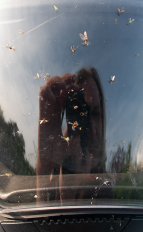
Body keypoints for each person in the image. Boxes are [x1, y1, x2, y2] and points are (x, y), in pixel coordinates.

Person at [36, 68, 106, 203]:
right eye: (79, 112)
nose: (88, 127)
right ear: (66, 116)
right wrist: (44, 169)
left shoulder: (110, 184)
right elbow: (39, 221)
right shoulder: (55, 167)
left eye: (95, 113)